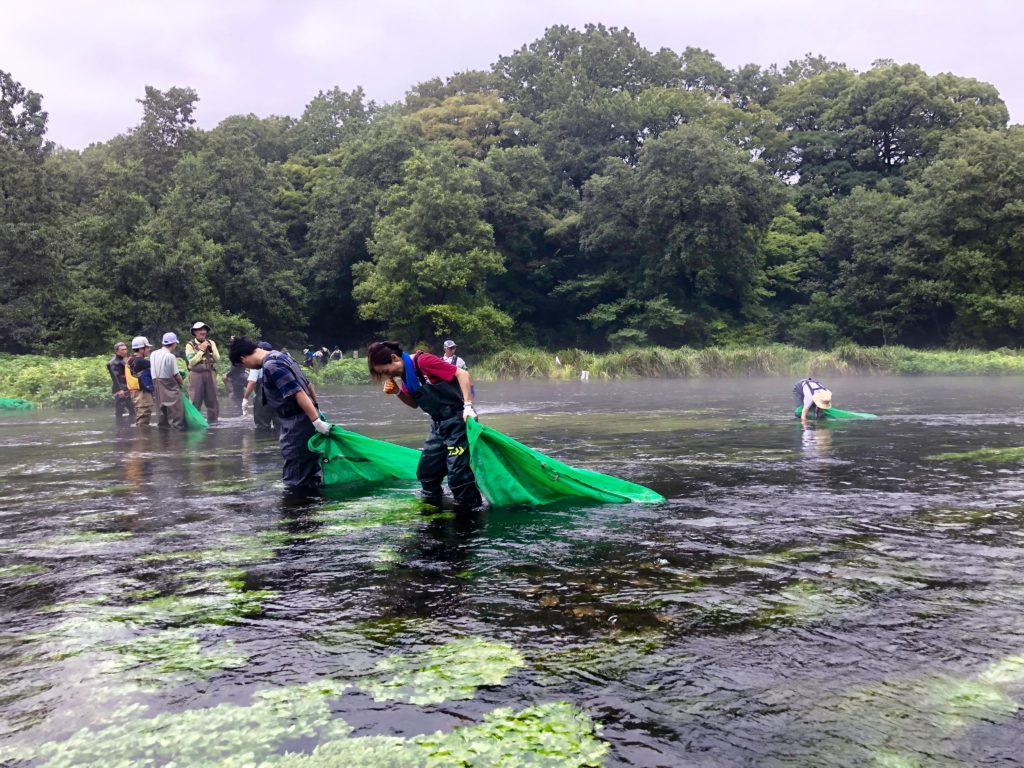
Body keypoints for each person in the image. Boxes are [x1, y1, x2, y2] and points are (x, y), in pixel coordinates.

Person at [367, 340, 482, 510]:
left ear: (394, 358)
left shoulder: (423, 361)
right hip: (439, 426)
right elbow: (414, 403)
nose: (387, 376)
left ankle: (471, 512)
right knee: (427, 473)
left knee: (458, 475)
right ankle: (436, 510)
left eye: (385, 371)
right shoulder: (405, 375)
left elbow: (462, 375)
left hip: (459, 422)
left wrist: (467, 406)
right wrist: (397, 392)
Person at [229, 336, 330, 491]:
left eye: (243, 364)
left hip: (297, 423)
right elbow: (309, 385)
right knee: (310, 473)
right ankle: (311, 508)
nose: (248, 368)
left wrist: (316, 421)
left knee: (295, 478)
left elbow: (297, 392)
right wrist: (316, 413)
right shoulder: (281, 356)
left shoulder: (271, 365)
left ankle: (296, 511)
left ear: (243, 357)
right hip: (303, 420)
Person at [185, 321, 220, 423]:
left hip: (210, 373)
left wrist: (210, 349)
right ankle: (194, 422)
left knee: (213, 400)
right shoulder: (190, 345)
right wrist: (201, 350)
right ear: (195, 332)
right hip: (196, 374)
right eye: (200, 330)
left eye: (204, 329)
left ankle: (213, 422)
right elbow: (191, 361)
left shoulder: (211, 342)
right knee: (195, 400)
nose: (203, 331)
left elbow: (217, 358)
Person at [241, 341, 280, 432]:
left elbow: (252, 382)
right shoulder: (277, 359)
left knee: (262, 425)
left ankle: (261, 443)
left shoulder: (257, 362)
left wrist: (245, 398)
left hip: (264, 394)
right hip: (279, 393)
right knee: (280, 425)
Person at [150, 332, 185, 430]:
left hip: (156, 384)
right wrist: (182, 384)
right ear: (174, 344)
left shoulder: (153, 354)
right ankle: (176, 435)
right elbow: (176, 375)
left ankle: (164, 437)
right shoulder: (170, 356)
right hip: (168, 384)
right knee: (175, 410)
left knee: (161, 411)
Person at [127, 336, 154, 427]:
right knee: (144, 416)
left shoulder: (130, 359)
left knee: (140, 414)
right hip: (142, 393)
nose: (149, 349)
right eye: (147, 347)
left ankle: (141, 437)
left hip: (135, 392)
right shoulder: (141, 361)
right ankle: (142, 438)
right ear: (141, 349)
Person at [106, 341, 135, 421]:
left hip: (126, 387)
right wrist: (119, 389)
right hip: (120, 389)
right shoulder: (113, 362)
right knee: (120, 411)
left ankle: (129, 428)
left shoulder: (124, 360)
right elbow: (114, 377)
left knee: (132, 409)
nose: (125, 351)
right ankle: (120, 429)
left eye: (125, 349)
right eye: (122, 350)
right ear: (116, 351)